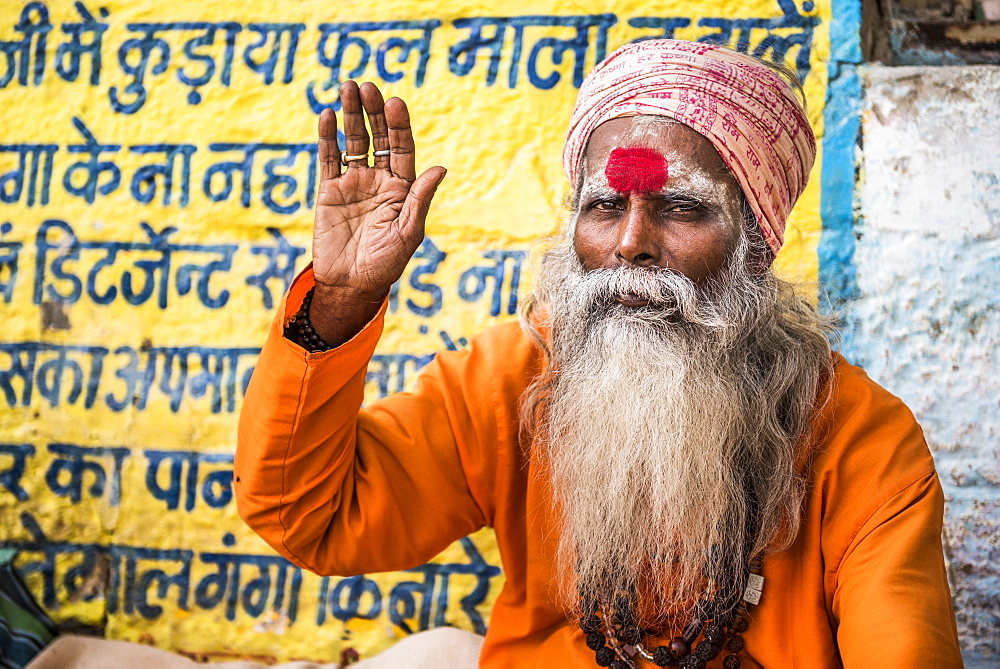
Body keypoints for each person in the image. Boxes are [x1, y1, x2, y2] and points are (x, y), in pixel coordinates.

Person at [234, 39, 963, 668]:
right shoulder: (515, 379)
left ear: (758, 246)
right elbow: (312, 515)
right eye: (605, 206)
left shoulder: (865, 443)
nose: (629, 243)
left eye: (681, 207)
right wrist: (339, 302)